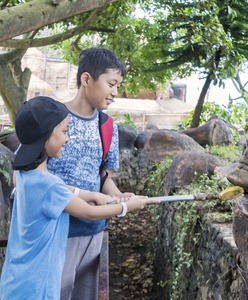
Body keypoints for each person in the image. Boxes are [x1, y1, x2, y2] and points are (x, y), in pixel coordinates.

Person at [0, 96, 158, 299]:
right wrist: (127, 207)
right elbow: (90, 213)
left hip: (14, 282)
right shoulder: (50, 185)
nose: (67, 139)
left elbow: (62, 190)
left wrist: (92, 194)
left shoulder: (23, 174)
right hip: (38, 287)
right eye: (64, 132)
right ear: (46, 136)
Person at [46, 47, 133, 300]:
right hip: (54, 233)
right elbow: (29, 170)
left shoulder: (107, 126)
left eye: (118, 86)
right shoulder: (51, 118)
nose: (115, 92)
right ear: (86, 79)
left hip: (93, 232)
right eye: (111, 84)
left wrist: (118, 197)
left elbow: (104, 178)